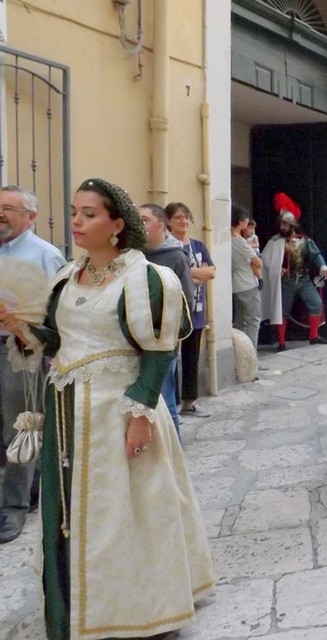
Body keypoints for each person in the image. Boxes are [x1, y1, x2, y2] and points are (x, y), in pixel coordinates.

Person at [0, 178, 213, 639]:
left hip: (118, 410)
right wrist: (18, 325)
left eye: (89, 214)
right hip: (67, 410)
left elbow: (159, 352)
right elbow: (59, 344)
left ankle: (139, 610)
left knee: (127, 513)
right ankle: (78, 606)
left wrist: (139, 417)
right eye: (74, 211)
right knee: (70, 513)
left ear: (117, 224)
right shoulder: (65, 278)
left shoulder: (145, 278)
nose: (77, 221)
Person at [0, 185, 66, 544]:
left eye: (9, 208)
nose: (1, 214)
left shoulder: (45, 255)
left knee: (19, 425)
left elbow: (58, 311)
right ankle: (35, 486)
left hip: (22, 349)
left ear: (31, 217)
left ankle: (13, 506)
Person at [141, 203, 194, 438]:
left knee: (165, 397)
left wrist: (169, 335)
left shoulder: (175, 257)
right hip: (136, 339)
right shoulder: (134, 255)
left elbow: (186, 302)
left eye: (144, 220)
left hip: (163, 341)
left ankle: (175, 451)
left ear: (161, 226)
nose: (139, 225)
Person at [261, 192, 327, 351]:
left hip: (303, 279)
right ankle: (281, 342)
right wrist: (276, 268)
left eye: (285, 225)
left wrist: (323, 267)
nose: (282, 227)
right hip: (285, 282)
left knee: (315, 304)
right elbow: (264, 260)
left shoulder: (304, 240)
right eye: (280, 224)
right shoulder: (274, 242)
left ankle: (313, 337)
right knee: (282, 311)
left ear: (292, 225)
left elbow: (316, 255)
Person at [167, 202, 215, 417]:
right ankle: (171, 403)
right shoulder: (167, 248)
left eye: (186, 217)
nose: (184, 221)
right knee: (170, 358)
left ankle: (189, 402)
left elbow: (211, 272)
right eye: (178, 217)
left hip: (196, 310)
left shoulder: (198, 245)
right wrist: (195, 274)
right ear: (168, 221)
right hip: (174, 311)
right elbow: (171, 274)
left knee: (191, 357)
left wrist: (187, 273)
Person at [231, 204, 263, 350]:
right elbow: (258, 262)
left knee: (240, 322)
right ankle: (251, 356)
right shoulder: (239, 240)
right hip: (248, 283)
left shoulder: (228, 238)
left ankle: (238, 353)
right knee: (253, 321)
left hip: (236, 284)